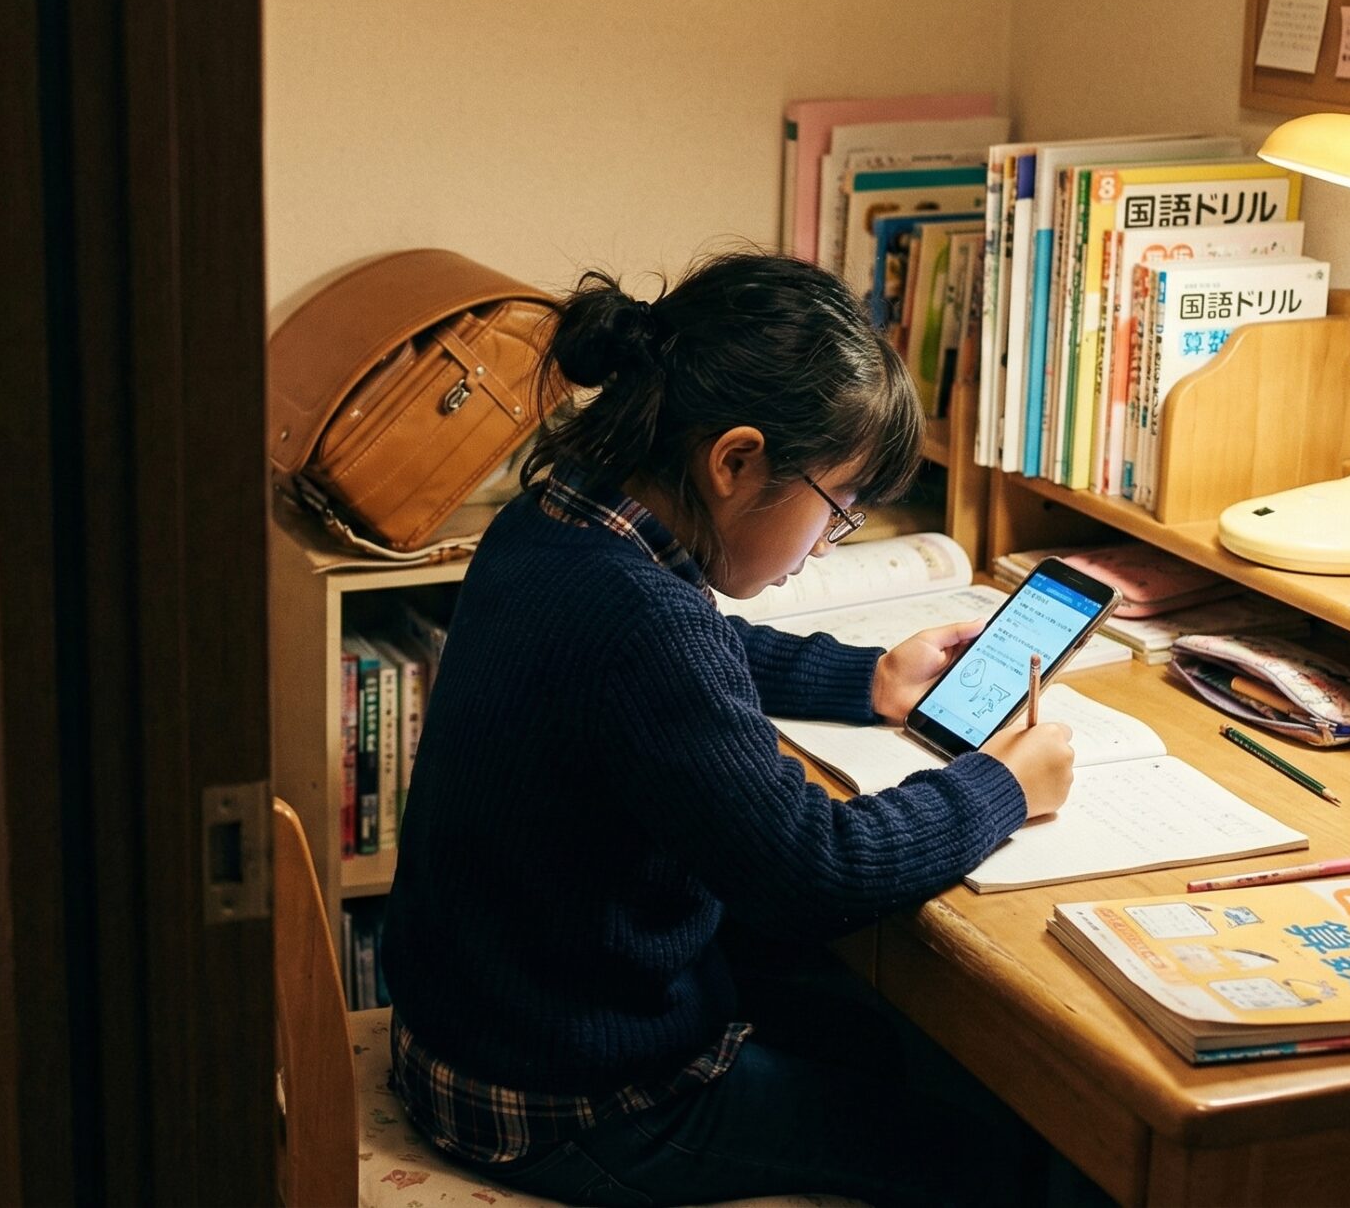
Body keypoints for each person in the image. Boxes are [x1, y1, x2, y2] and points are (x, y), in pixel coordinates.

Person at [378, 252, 1078, 1208]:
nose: (824, 546)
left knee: (869, 1035)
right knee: (989, 1155)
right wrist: (1003, 785)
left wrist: (869, 679)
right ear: (736, 460)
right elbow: (815, 868)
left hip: (483, 1030)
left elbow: (686, 655)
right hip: (574, 1106)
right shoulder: (646, 625)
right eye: (838, 510)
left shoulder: (555, 518)